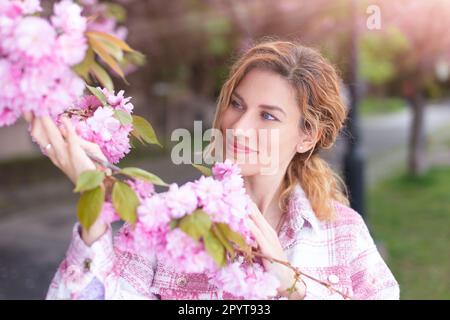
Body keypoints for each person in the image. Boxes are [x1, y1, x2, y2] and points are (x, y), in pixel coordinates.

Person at [27, 39, 400, 300]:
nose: (237, 127)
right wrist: (94, 204)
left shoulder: (342, 235)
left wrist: (294, 287)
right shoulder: (167, 224)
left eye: (268, 116)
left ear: (307, 136)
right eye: (236, 104)